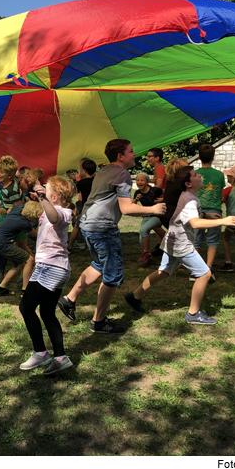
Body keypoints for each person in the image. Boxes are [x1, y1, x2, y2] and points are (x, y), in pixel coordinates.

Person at [57, 139, 166, 335]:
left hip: (87, 224)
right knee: (113, 274)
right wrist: (153, 209)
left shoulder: (105, 170)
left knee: (99, 264)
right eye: (131, 151)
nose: (135, 154)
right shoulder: (122, 174)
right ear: (120, 156)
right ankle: (98, 322)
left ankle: (69, 299)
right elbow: (127, 208)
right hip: (102, 228)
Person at [124, 166, 235, 325]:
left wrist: (206, 214)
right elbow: (195, 223)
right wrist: (222, 221)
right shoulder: (189, 199)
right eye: (195, 175)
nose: (199, 176)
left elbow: (188, 215)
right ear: (188, 183)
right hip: (181, 244)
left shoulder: (187, 196)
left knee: (163, 272)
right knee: (204, 274)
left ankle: (134, 296)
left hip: (172, 240)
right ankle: (193, 313)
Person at [19, 177, 76, 376]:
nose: (42, 191)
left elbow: (53, 217)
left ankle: (41, 352)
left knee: (26, 307)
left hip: (51, 268)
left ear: (54, 197)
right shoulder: (51, 209)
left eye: (46, 190)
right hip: (49, 267)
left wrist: (43, 198)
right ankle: (60, 358)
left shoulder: (62, 212)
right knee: (46, 312)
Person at [0, 156, 27, 282]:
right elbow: (23, 188)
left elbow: (18, 208)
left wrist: (5, 210)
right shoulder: (8, 186)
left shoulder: (11, 190)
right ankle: (8, 270)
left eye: (2, 172)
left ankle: (22, 269)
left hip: (13, 221)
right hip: (8, 220)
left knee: (17, 247)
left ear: (10, 175)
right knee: (13, 246)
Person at [0, 201, 42, 297]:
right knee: (29, 260)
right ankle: (25, 291)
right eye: (35, 219)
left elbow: (10, 210)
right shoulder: (23, 223)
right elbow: (37, 235)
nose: (35, 220)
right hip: (4, 245)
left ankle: (0, 289)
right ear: (29, 217)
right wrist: (40, 223)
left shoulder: (19, 208)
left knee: (21, 264)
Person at [191, 144, 225, 281]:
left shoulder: (195, 174)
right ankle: (209, 268)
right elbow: (221, 195)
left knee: (196, 241)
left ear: (199, 157)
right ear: (213, 157)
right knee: (213, 241)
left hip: (197, 211)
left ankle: (195, 270)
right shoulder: (219, 175)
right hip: (215, 211)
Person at [133, 173, 164, 266]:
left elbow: (169, 194)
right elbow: (132, 204)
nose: (139, 182)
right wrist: (136, 200)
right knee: (141, 238)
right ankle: (148, 258)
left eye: (142, 180)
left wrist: (162, 200)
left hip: (158, 216)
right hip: (147, 216)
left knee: (144, 230)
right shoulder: (137, 193)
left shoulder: (155, 190)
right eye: (137, 180)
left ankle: (146, 253)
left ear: (147, 182)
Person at [67, 158, 96, 252]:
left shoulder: (81, 183)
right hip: (97, 207)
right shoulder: (98, 182)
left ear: (84, 170)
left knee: (77, 225)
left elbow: (72, 194)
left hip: (86, 207)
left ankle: (70, 246)